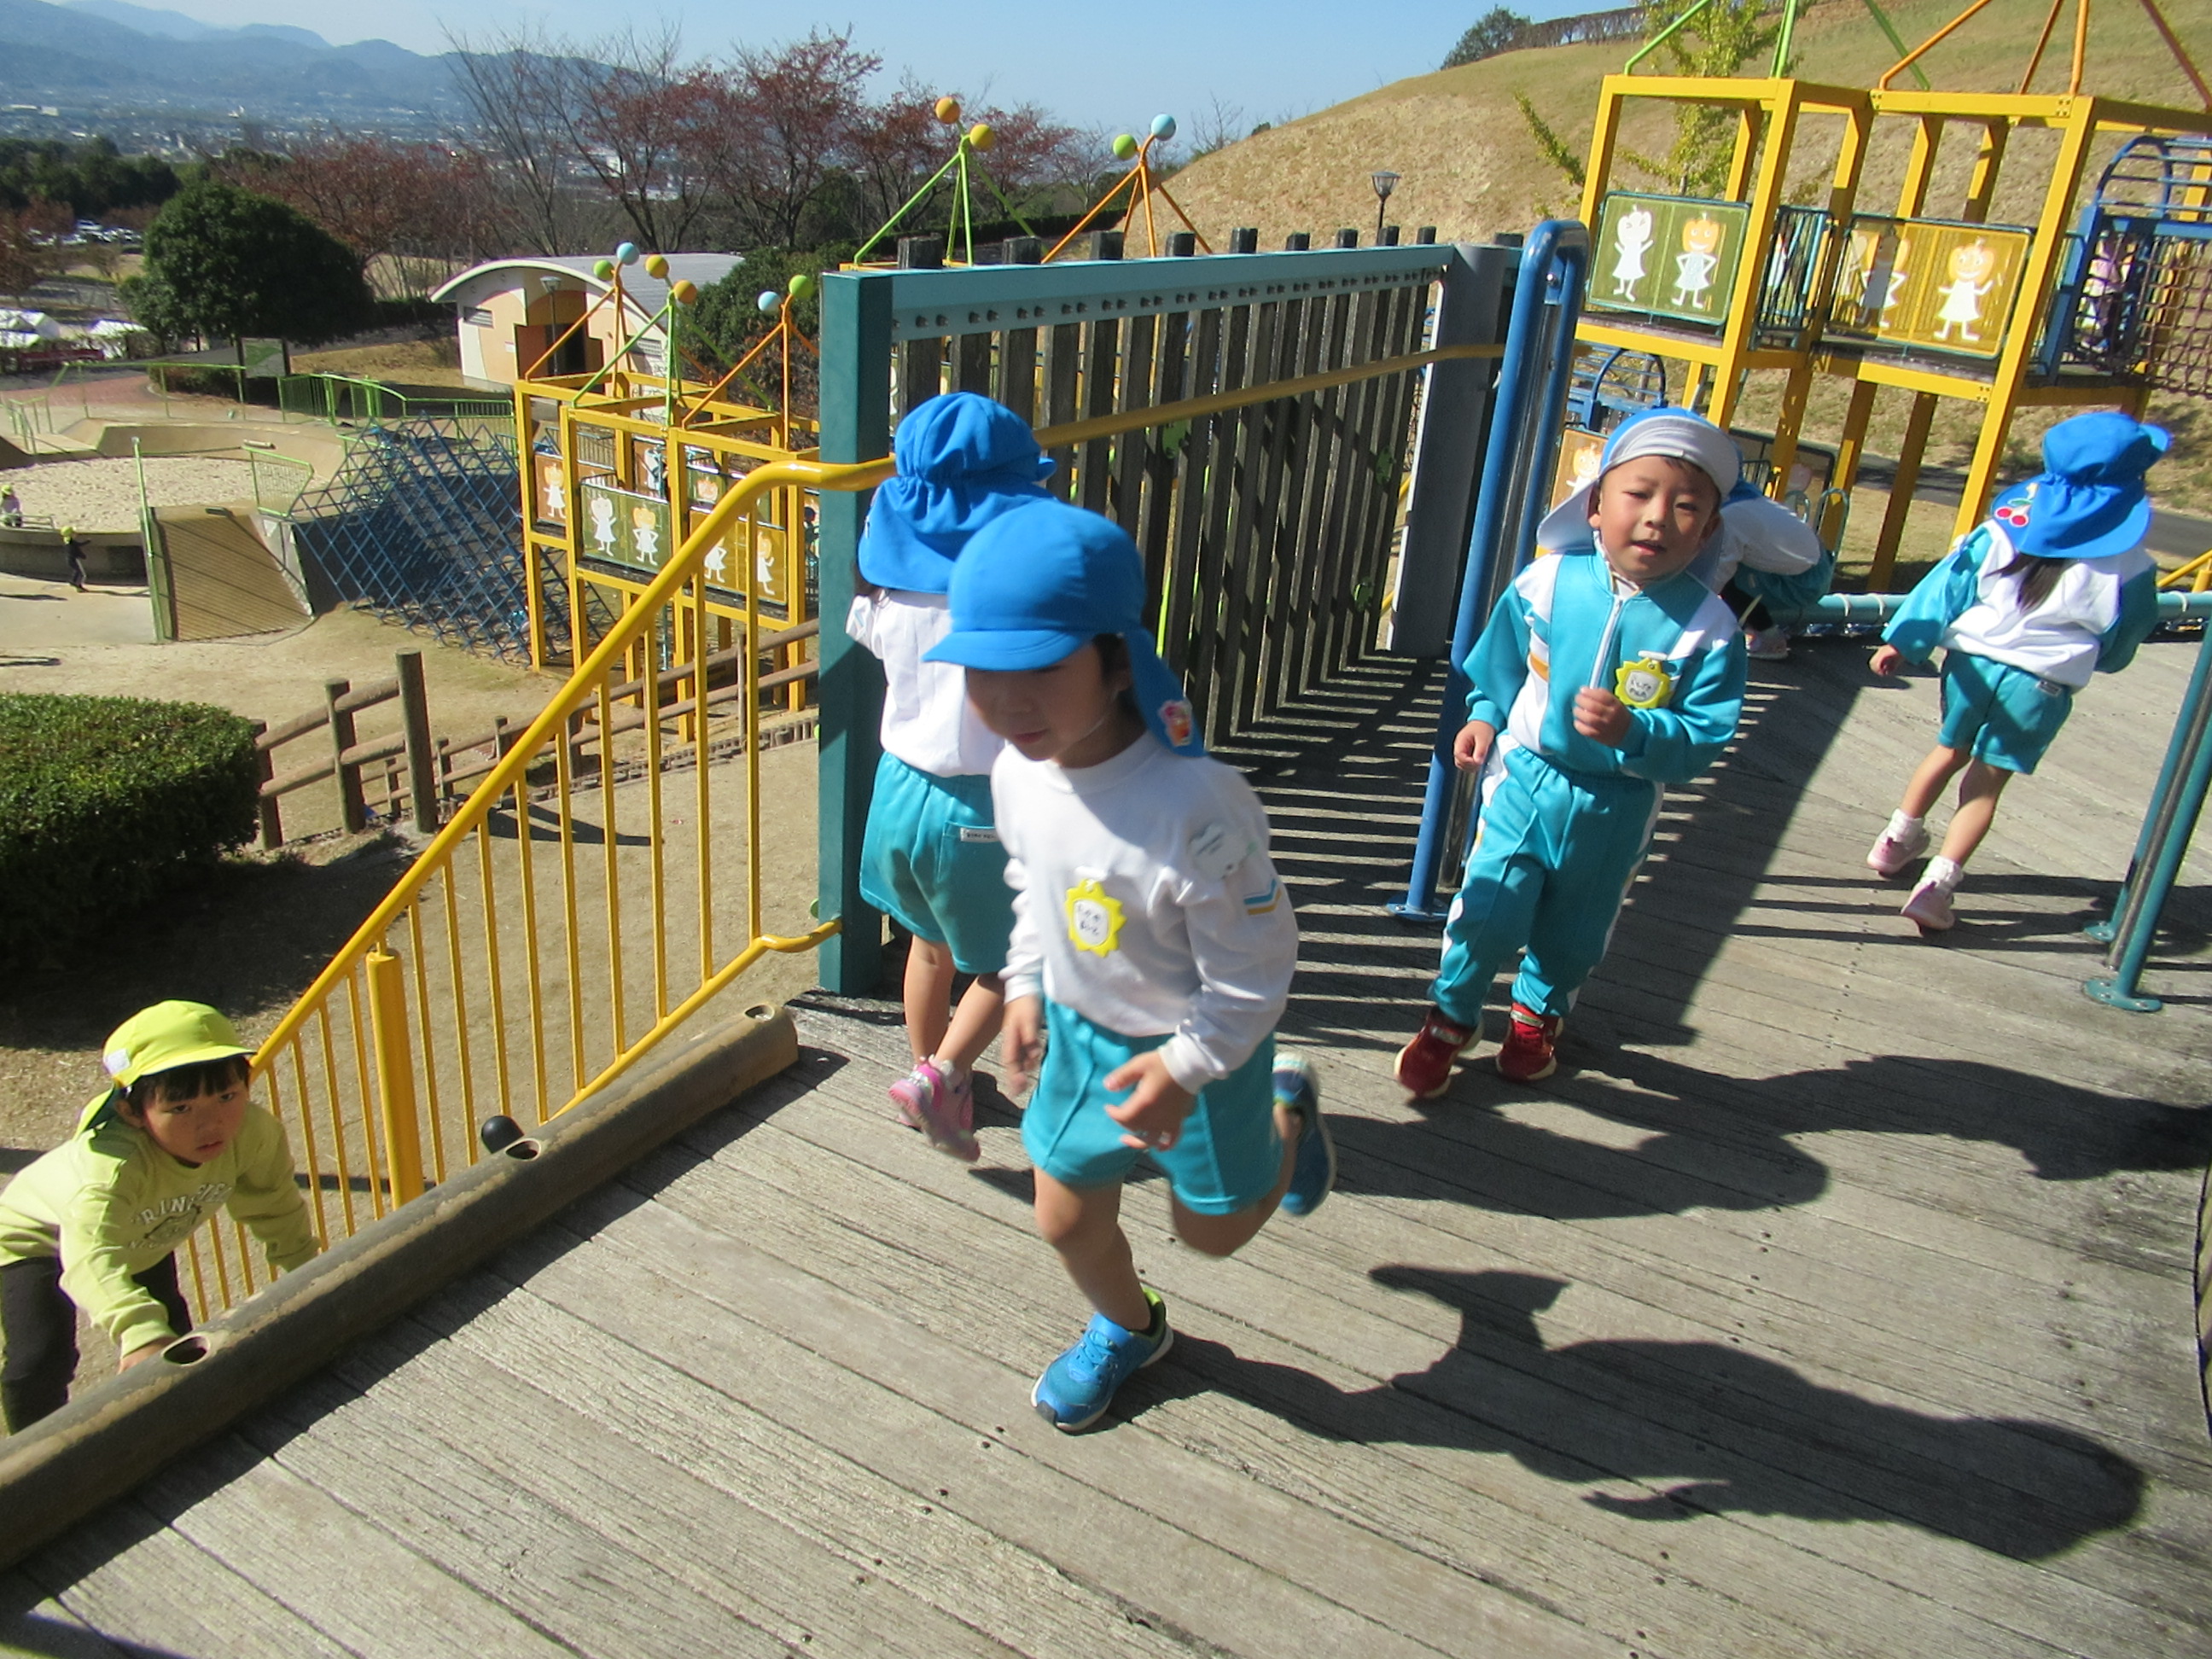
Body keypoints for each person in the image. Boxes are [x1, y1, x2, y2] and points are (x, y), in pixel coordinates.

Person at [927, 498, 1336, 1432]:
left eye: (1042, 666)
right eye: (982, 672)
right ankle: (1131, 1327)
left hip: (1204, 1052)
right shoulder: (1017, 771)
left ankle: (1287, 1113)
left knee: (1213, 1232)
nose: (1007, 703)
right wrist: (1027, 982)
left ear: (1117, 660)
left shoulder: (1195, 804)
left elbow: (1259, 969)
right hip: (1082, 1041)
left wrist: (1185, 1069)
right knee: (1065, 1219)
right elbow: (1034, 883)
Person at [1397, 410, 1748, 1097]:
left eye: (1686, 507)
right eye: (1638, 494)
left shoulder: (1708, 629)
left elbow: (1704, 737)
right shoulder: (1548, 581)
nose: (1657, 518)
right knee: (1490, 903)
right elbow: (1502, 660)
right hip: (1527, 776)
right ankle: (1453, 1014)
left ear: (1708, 532)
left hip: (1619, 802)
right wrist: (1485, 715)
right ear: (1594, 507)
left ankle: (1537, 1014)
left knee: (1579, 925)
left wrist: (1637, 734)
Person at [1865, 410, 2165, 933]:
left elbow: (1946, 587)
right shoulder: (2131, 562)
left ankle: (1895, 841)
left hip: (1971, 663)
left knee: (1948, 749)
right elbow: (2127, 630)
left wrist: (1904, 641)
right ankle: (1936, 888)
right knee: (1986, 784)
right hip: (2041, 682)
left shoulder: (2004, 528)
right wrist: (2107, 658)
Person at [848, 393, 1052, 1159]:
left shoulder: (890, 597)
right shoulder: (1015, 605)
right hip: (982, 807)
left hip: (899, 792)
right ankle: (944, 1075)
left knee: (927, 946)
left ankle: (929, 1078)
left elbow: (866, 628)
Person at [0, 1002, 319, 1431]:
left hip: (141, 1236)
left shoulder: (253, 1134)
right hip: (38, 1237)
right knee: (39, 1360)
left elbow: (273, 1203)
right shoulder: (112, 1171)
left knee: (175, 1338)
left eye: (227, 1096)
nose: (211, 1123)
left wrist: (308, 1271)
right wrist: (137, 1333)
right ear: (132, 1113)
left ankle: (185, 1431)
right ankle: (37, 1457)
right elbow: (91, 1257)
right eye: (181, 1108)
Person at [61, 524, 87, 591]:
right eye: (73, 532)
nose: (75, 533)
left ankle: (74, 583)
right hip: (73, 559)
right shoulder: (71, 543)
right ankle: (77, 585)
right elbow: (76, 550)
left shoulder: (67, 541)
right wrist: (82, 555)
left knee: (77, 572)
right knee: (81, 574)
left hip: (70, 559)